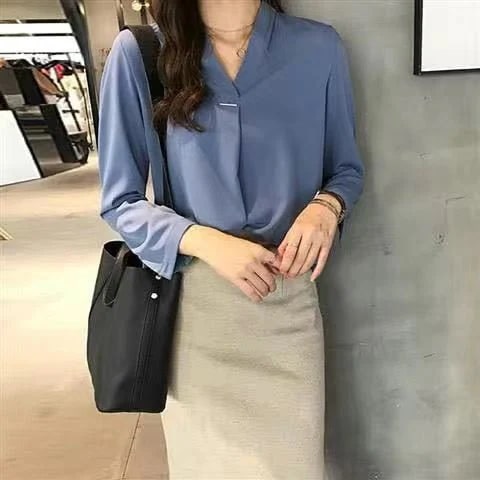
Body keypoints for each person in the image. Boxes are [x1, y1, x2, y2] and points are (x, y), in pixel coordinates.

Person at [97, 0, 364, 478]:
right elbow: (120, 202)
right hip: (196, 314)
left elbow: (346, 169)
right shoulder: (142, 52)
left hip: (286, 305)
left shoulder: (318, 48)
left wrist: (326, 208)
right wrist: (204, 240)